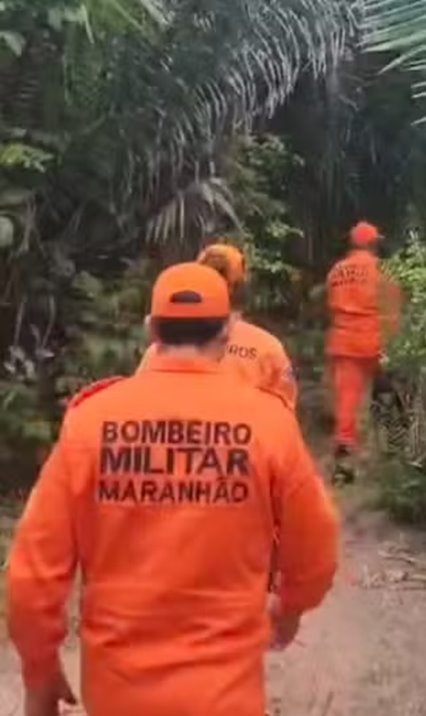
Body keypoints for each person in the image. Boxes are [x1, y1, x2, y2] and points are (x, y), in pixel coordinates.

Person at [5, 262, 340, 716]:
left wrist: (40, 675)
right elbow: (316, 545)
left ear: (150, 331)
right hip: (227, 697)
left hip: (118, 693)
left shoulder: (91, 421)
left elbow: (34, 574)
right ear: (227, 332)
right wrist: (290, 606)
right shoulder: (269, 423)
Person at [138, 242, 298, 412]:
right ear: (241, 288)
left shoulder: (161, 349)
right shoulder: (268, 348)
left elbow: (141, 406)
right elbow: (284, 414)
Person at [325, 220, 404, 483]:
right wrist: (393, 344)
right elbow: (392, 312)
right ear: (373, 243)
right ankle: (392, 452)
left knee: (347, 405)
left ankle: (344, 465)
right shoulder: (382, 271)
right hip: (375, 343)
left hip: (344, 343)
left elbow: (331, 306)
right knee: (388, 397)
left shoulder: (336, 271)